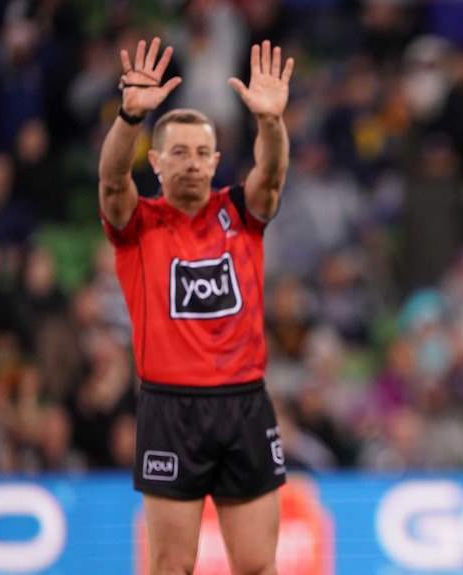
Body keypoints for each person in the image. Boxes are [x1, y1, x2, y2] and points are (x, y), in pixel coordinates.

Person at [97, 36, 294, 575]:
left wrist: (271, 123)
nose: (191, 162)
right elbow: (112, 179)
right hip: (169, 410)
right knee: (171, 568)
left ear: (215, 161)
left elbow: (271, 174)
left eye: (201, 152)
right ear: (156, 162)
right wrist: (128, 119)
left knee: (258, 566)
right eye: (178, 152)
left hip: (244, 405)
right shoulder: (137, 225)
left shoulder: (241, 212)